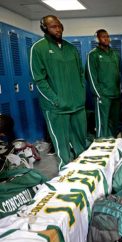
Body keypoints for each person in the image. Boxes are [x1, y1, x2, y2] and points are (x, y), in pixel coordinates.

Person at [30, 15, 87, 170]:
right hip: (56, 108)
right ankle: (67, 175)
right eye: (53, 26)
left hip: (77, 105)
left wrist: (81, 94)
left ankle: (85, 172)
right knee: (62, 147)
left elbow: (81, 73)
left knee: (82, 143)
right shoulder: (39, 48)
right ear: (44, 28)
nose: (58, 29)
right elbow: (39, 80)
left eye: (59, 26)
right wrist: (55, 100)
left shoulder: (71, 48)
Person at [86, 29, 121, 138]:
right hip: (103, 95)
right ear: (98, 39)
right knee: (102, 122)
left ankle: (113, 141)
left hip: (115, 94)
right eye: (103, 37)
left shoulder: (114, 54)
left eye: (107, 36)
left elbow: (117, 73)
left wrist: (119, 89)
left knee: (115, 121)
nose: (106, 39)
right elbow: (91, 76)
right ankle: (102, 142)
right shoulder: (93, 55)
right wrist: (98, 93)